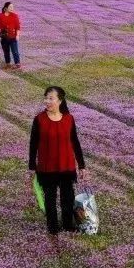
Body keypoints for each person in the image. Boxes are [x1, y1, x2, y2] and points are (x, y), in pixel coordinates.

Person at [28, 86, 87, 235]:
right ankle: (52, 226)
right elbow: (33, 143)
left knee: (68, 198)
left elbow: (75, 141)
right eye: (46, 98)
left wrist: (81, 165)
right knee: (50, 198)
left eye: (50, 98)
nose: (47, 101)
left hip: (67, 165)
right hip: (47, 167)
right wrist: (32, 166)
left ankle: (68, 224)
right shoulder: (39, 119)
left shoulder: (69, 118)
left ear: (59, 100)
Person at [0, 1, 21, 69]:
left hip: (13, 37)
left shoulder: (15, 16)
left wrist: (17, 35)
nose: (12, 8)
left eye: (13, 7)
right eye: (10, 7)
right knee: (6, 51)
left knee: (15, 51)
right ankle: (8, 64)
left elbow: (18, 27)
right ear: (6, 8)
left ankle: (17, 64)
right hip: (4, 37)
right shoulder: (0, 16)